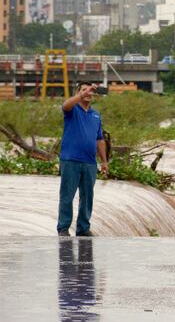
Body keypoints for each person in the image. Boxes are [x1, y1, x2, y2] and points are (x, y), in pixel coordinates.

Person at [57, 82, 108, 237]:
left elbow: (99, 140)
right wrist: (81, 95)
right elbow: (65, 105)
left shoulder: (96, 115)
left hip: (90, 162)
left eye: (90, 91)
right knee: (67, 195)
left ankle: (83, 228)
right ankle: (63, 228)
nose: (88, 93)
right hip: (70, 160)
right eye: (84, 90)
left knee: (87, 196)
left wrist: (104, 161)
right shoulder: (72, 110)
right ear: (77, 92)